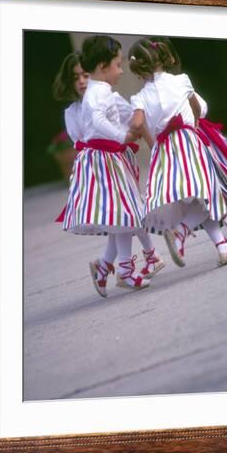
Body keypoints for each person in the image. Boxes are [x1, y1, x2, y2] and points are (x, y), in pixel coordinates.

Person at [128, 38, 227, 267]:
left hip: (165, 153)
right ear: (161, 58)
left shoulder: (139, 97)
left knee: (198, 201)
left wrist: (134, 126)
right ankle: (181, 232)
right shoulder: (181, 80)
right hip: (188, 143)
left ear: (138, 69)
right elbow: (197, 107)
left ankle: (223, 247)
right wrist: (194, 124)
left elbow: (138, 123)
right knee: (207, 195)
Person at [61, 37, 163, 296]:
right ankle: (125, 271)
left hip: (112, 161)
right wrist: (122, 136)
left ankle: (111, 267)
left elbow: (126, 112)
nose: (121, 70)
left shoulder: (104, 92)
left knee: (123, 218)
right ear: (104, 66)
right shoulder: (96, 94)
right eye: (118, 65)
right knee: (125, 216)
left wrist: (143, 120)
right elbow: (96, 121)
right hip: (103, 162)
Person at [147, 36, 227, 251]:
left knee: (210, 192)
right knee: (214, 189)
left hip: (194, 144)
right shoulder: (178, 82)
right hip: (202, 140)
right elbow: (203, 107)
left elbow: (198, 108)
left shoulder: (169, 87)